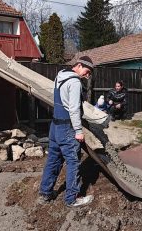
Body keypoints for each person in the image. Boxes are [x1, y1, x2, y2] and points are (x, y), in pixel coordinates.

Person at [39, 56, 95, 208]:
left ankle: (45, 193)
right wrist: (78, 130)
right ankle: (72, 198)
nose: (87, 75)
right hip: (67, 128)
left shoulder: (60, 75)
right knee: (73, 162)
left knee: (53, 160)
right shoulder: (75, 82)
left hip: (54, 126)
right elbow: (74, 108)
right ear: (78, 65)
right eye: (87, 71)